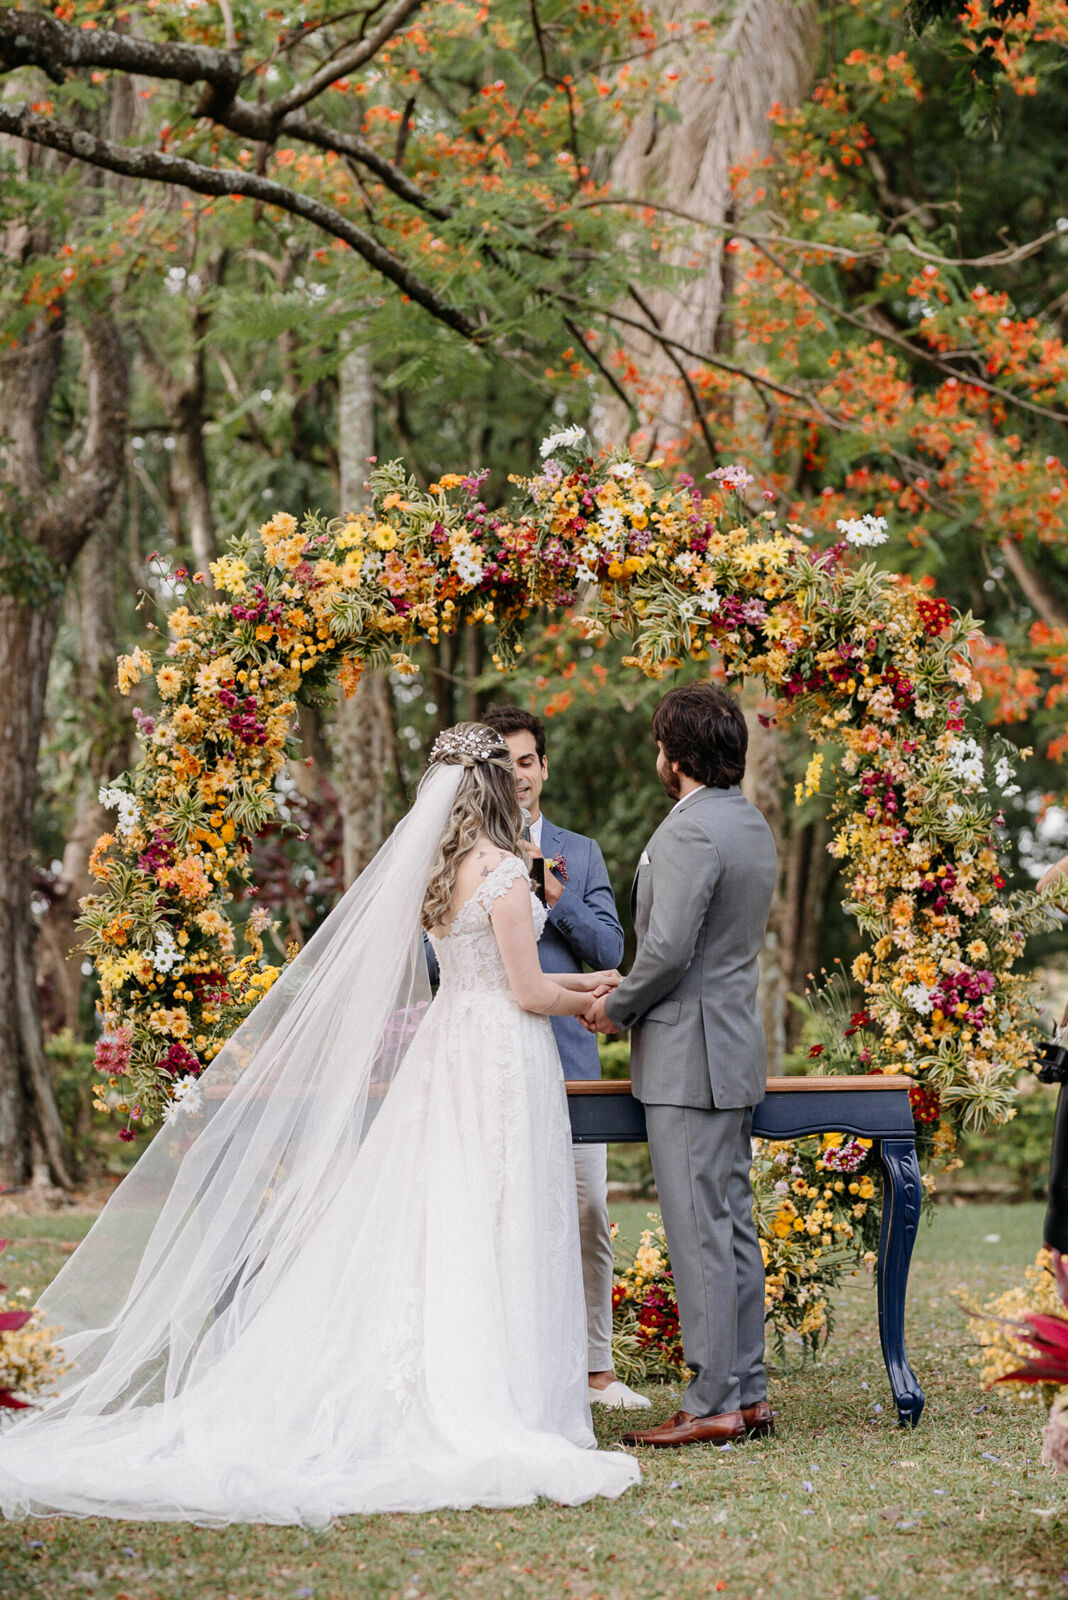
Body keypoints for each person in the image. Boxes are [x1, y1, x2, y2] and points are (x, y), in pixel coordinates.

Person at [0, 725, 639, 1524]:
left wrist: (591, 978)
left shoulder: (440, 876)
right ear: (495, 790)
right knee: (501, 1211)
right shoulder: (506, 873)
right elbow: (525, 992)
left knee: (448, 1212)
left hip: (451, 1050)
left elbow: (486, 971)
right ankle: (494, 1389)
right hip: (499, 1060)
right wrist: (597, 1002)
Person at [585, 683, 778, 1448]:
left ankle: (711, 1403)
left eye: (661, 744)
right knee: (731, 1226)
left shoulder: (689, 833)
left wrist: (617, 1006)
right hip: (729, 1049)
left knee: (700, 1231)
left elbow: (667, 950)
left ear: (677, 753)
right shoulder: (750, 824)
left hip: (687, 1058)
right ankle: (749, 1392)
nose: (658, 756)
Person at [478, 705, 650, 1413]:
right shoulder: (460, 851)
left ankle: (596, 1370)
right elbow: (432, 953)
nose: (517, 776)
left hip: (569, 1064)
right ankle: (498, 1363)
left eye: (526, 761)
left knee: (584, 1212)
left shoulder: (581, 852)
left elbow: (611, 953)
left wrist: (552, 892)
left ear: (543, 767)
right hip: (487, 1061)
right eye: (504, 763)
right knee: (488, 1213)